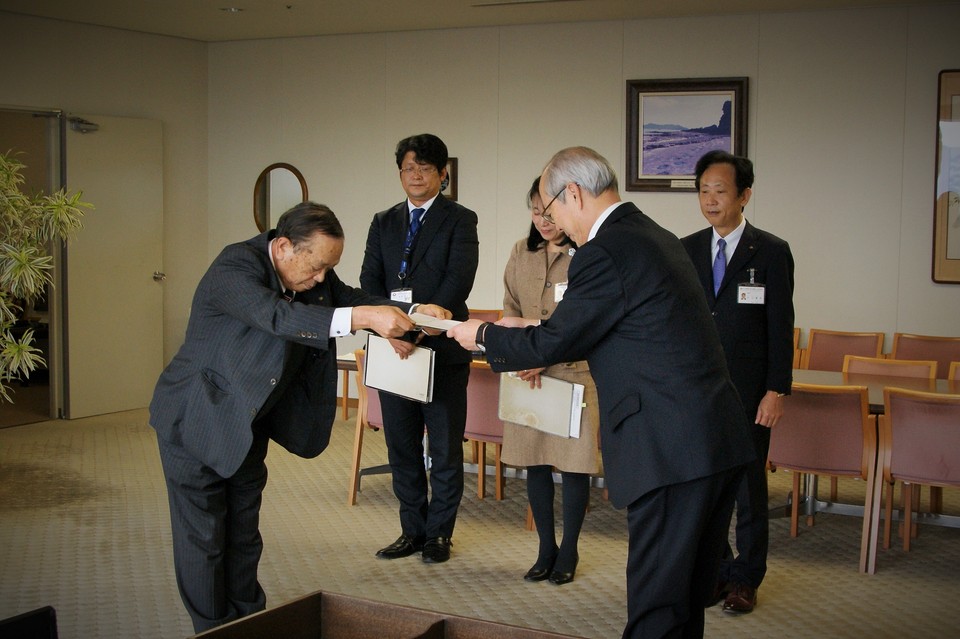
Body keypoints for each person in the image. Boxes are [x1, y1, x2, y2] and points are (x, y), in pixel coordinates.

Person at [448, 146, 754, 639]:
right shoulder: (652, 236)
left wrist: (480, 336)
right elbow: (616, 327)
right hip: (709, 439)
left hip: (670, 448)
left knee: (657, 606)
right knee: (684, 600)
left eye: (551, 212)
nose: (555, 226)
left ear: (573, 193)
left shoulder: (603, 251)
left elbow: (557, 339)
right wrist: (524, 325)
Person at [149, 201, 449, 632]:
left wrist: (417, 311)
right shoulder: (235, 266)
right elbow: (278, 316)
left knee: (244, 536)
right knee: (205, 540)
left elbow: (353, 300)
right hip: (197, 416)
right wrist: (363, 318)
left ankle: (249, 624)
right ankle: (212, 629)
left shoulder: (310, 274)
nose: (322, 278)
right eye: (318, 266)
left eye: (330, 268)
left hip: (250, 421)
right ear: (284, 246)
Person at [680, 150, 795, 615]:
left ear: (744, 195)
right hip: (699, 392)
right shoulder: (685, 248)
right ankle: (717, 571)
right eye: (704, 190)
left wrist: (776, 390)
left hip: (750, 394)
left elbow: (781, 326)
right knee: (705, 488)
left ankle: (746, 578)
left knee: (748, 489)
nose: (710, 199)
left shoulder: (770, 251)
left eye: (720, 191)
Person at [360, 133, 479, 564]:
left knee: (444, 450)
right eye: (408, 167)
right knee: (402, 448)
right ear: (399, 173)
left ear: (442, 174)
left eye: (425, 168)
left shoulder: (460, 219)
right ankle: (411, 530)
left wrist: (421, 329)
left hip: (440, 350)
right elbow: (369, 284)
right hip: (393, 351)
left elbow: (457, 282)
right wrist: (392, 330)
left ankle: (438, 535)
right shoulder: (383, 221)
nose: (415, 175)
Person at [500, 176, 601, 586]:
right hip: (528, 375)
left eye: (548, 210)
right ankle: (546, 548)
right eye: (535, 210)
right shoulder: (521, 253)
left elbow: (588, 324)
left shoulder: (587, 257)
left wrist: (543, 352)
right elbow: (509, 309)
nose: (542, 219)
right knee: (535, 464)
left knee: (575, 468)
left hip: (573, 374)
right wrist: (526, 354)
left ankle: (571, 548)